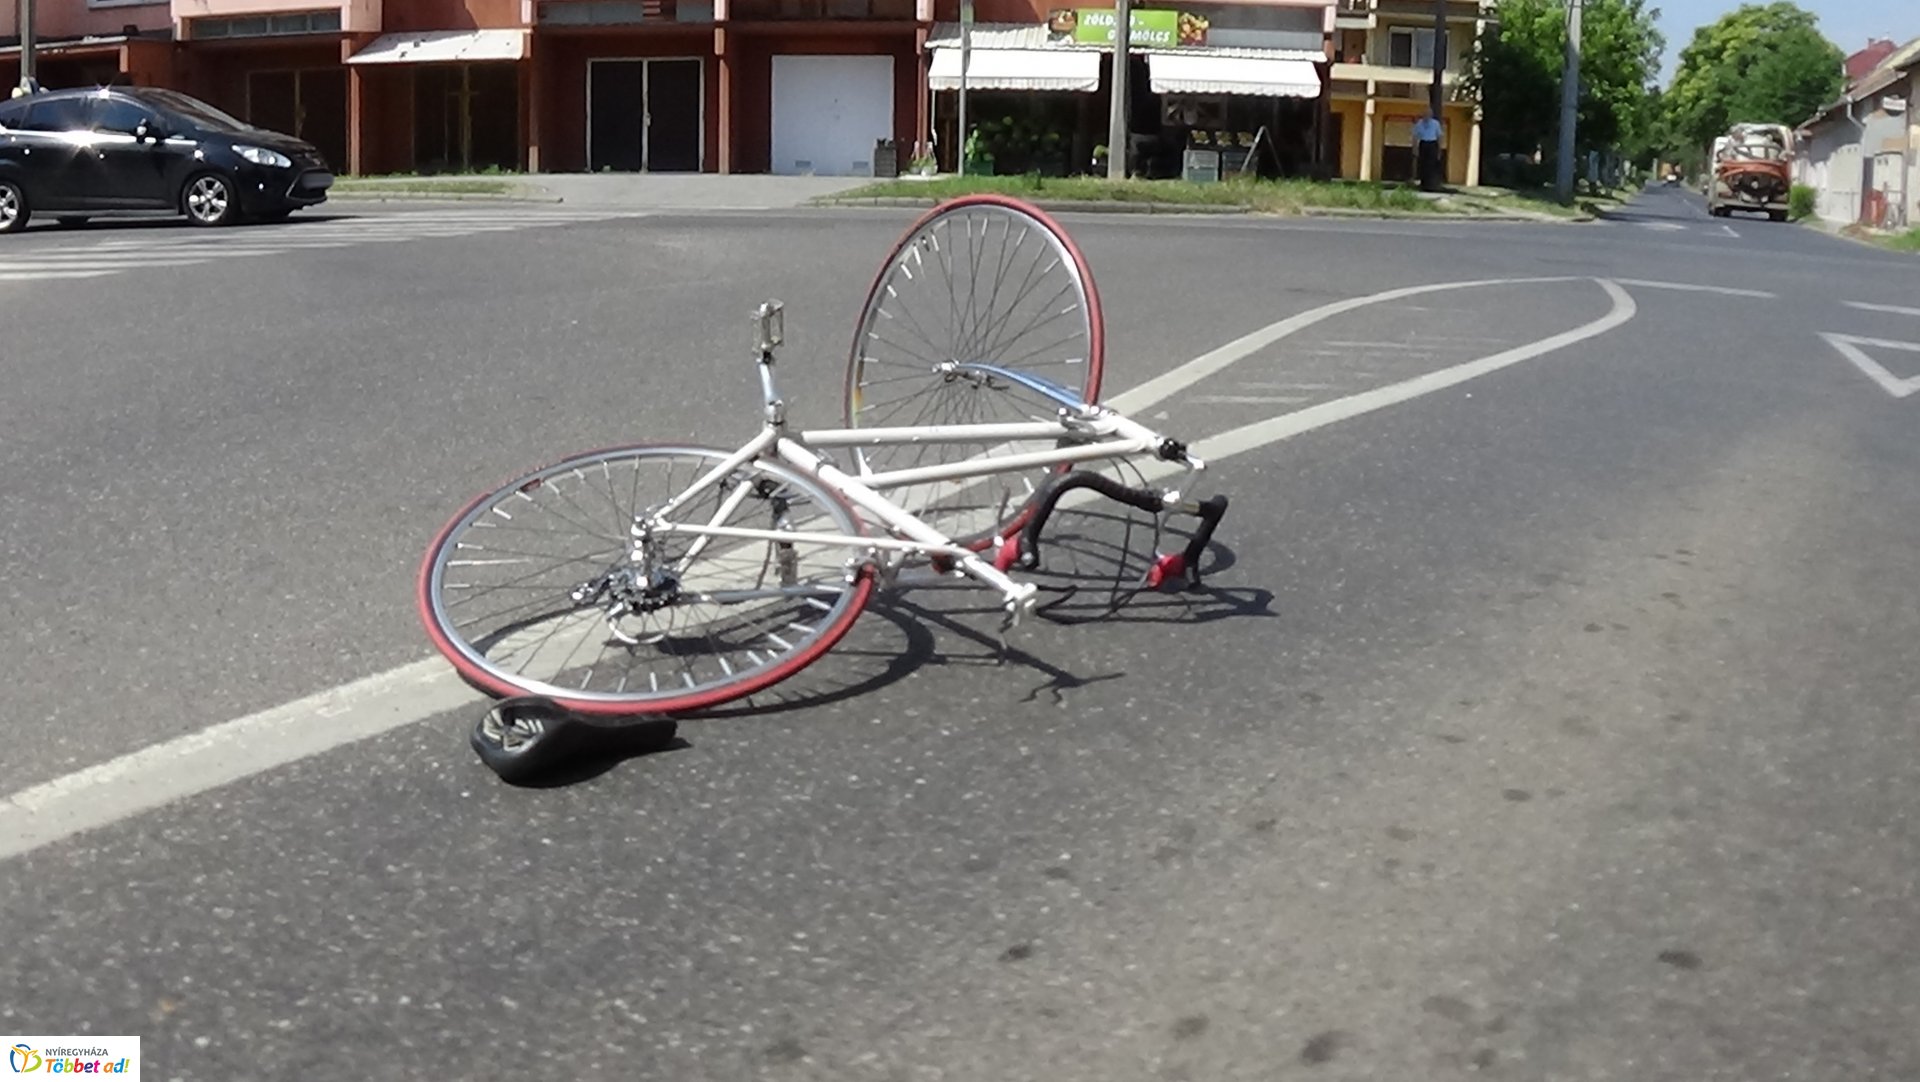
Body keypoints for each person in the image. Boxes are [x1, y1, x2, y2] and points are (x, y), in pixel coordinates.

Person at [1413, 110, 1443, 192]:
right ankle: (1423, 184)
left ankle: (1431, 184)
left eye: (1428, 114)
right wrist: (1415, 148)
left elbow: (1439, 136)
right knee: (1423, 164)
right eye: (1425, 114)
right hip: (1423, 144)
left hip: (1432, 144)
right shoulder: (1419, 123)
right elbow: (1415, 136)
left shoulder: (1435, 123)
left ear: (1431, 115)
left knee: (1431, 165)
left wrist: (1439, 149)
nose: (1426, 116)